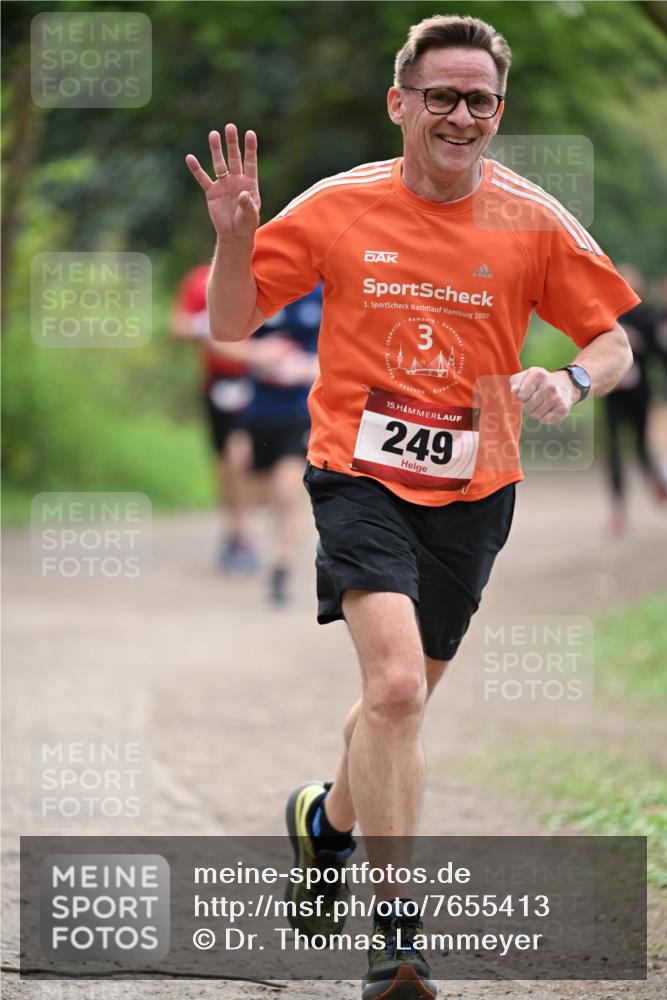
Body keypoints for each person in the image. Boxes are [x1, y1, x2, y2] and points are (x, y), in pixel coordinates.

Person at [186, 14, 637, 998]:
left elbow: (614, 339)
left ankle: (324, 824)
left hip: (476, 490)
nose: (460, 114)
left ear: (496, 112)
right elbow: (230, 320)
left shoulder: (532, 219)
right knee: (393, 688)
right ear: (401, 103)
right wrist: (231, 241)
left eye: (478, 98)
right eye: (441, 95)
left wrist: (571, 382)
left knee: (400, 705)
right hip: (357, 472)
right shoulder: (341, 205)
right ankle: (395, 936)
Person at [170, 263, 258, 572]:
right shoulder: (199, 279)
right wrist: (207, 325)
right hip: (219, 382)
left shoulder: (265, 271)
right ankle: (238, 531)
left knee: (243, 455)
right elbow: (178, 327)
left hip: (262, 383)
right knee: (226, 460)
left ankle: (246, 528)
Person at [238, 285, 321, 604]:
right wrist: (257, 354)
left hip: (299, 411)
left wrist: (309, 368)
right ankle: (242, 538)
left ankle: (280, 567)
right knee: (255, 489)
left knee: (288, 490)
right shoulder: (262, 281)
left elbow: (348, 352)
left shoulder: (326, 290)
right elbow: (221, 338)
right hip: (256, 409)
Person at [603, 264, 667, 534]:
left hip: (639, 394)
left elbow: (660, 354)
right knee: (614, 449)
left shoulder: (647, 317)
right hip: (612, 393)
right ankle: (618, 508)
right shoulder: (606, 314)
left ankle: (657, 483)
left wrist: (639, 342)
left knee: (641, 449)